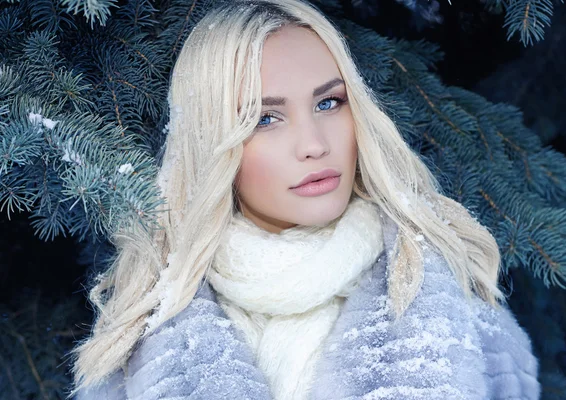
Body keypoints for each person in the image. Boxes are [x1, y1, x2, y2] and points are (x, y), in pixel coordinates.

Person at [67, 0, 541, 399]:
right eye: (265, 118)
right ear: (210, 141)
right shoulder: (139, 347)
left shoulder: (454, 309)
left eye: (328, 103)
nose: (313, 143)